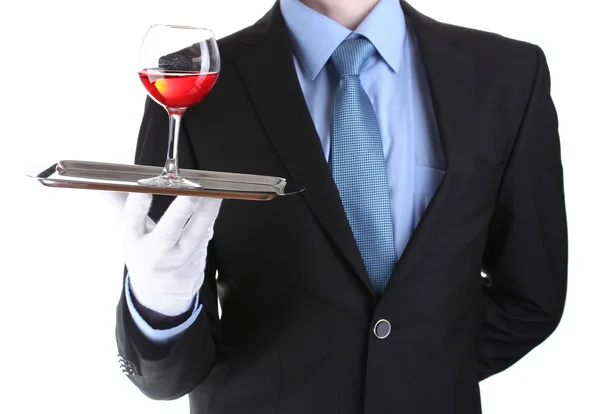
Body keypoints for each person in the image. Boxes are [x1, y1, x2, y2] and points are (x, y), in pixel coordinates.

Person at [114, 0, 568, 413]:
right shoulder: (189, 83)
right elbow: (170, 375)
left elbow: (531, 298)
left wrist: (418, 368)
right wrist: (160, 309)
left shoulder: (507, 75)